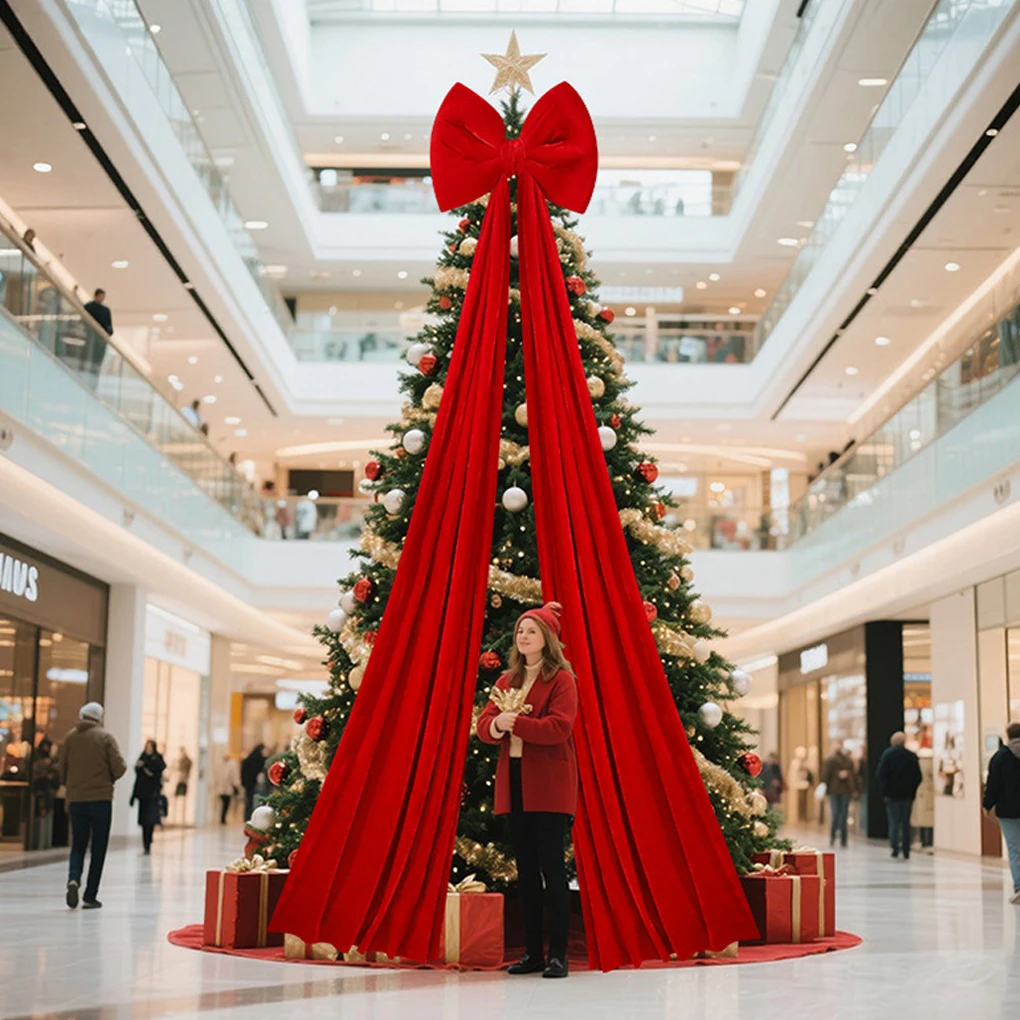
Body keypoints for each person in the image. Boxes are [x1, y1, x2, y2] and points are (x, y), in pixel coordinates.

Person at [477, 602, 578, 980]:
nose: (523, 637)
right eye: (521, 631)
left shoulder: (562, 681)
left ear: (547, 639)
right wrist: (498, 725)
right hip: (515, 780)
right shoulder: (507, 681)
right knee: (525, 870)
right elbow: (484, 727)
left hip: (549, 784)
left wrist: (515, 723)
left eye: (531, 631)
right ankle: (533, 953)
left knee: (552, 869)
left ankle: (559, 955)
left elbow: (559, 729)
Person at [57, 702, 126, 909]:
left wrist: (70, 784)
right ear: (99, 718)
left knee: (78, 844)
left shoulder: (69, 738)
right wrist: (108, 779)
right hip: (101, 800)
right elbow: (120, 767)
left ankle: (73, 878)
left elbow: (62, 767)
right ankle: (90, 895)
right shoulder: (105, 738)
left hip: (76, 800)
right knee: (98, 847)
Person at [982, 721, 1020, 904]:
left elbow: (993, 784)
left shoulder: (1000, 757)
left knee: (1015, 849)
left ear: (1008, 735)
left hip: (1009, 810)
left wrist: (987, 805)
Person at [876, 731, 922, 859]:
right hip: (907, 795)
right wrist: (912, 790)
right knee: (906, 822)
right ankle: (906, 848)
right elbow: (918, 777)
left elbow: (881, 775)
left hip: (892, 796)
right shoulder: (911, 756)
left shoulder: (887, 755)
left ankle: (895, 848)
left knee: (894, 822)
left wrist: (885, 791)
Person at [130, 740, 166, 855]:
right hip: (142, 794)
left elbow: (160, 769)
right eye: (147, 747)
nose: (148, 749)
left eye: (150, 747)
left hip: (153, 794)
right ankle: (145, 844)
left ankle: (148, 841)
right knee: (143, 821)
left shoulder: (157, 759)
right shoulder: (142, 757)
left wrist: (146, 767)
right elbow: (137, 774)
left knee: (150, 820)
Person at [821, 742, 858, 848]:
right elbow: (853, 775)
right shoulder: (848, 760)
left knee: (836, 814)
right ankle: (843, 839)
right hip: (845, 790)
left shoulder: (830, 760)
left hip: (834, 790)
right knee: (843, 814)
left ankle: (833, 837)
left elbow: (825, 776)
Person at [240, 743, 267, 820]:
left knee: (249, 801)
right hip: (255, 783)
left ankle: (247, 817)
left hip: (248, 784)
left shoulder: (247, 759)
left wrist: (243, 782)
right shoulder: (259, 760)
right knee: (256, 801)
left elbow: (243, 772)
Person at [215, 753, 241, 825]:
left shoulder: (232, 764)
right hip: (221, 788)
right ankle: (222, 818)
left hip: (228, 788)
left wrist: (236, 785)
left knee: (226, 804)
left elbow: (235, 776)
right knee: (224, 803)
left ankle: (223, 818)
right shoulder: (219, 764)